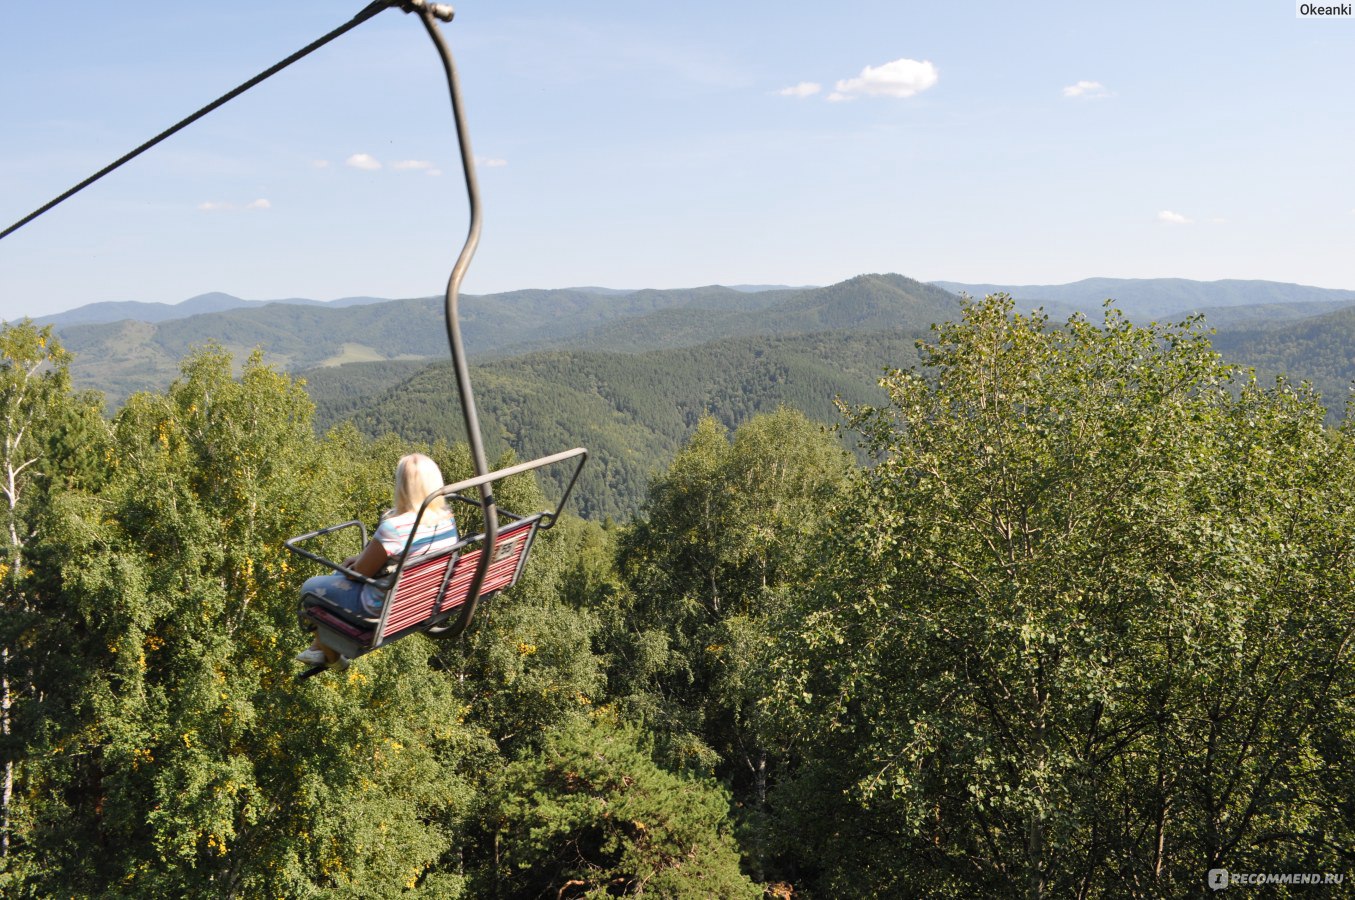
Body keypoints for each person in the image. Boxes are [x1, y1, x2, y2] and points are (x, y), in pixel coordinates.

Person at [296, 453, 460, 669]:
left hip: (379, 607)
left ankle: (333, 658)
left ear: (402, 486)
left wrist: (352, 565)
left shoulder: (395, 528)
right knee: (336, 577)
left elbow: (361, 572)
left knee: (310, 590)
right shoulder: (446, 520)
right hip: (422, 597)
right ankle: (318, 647)